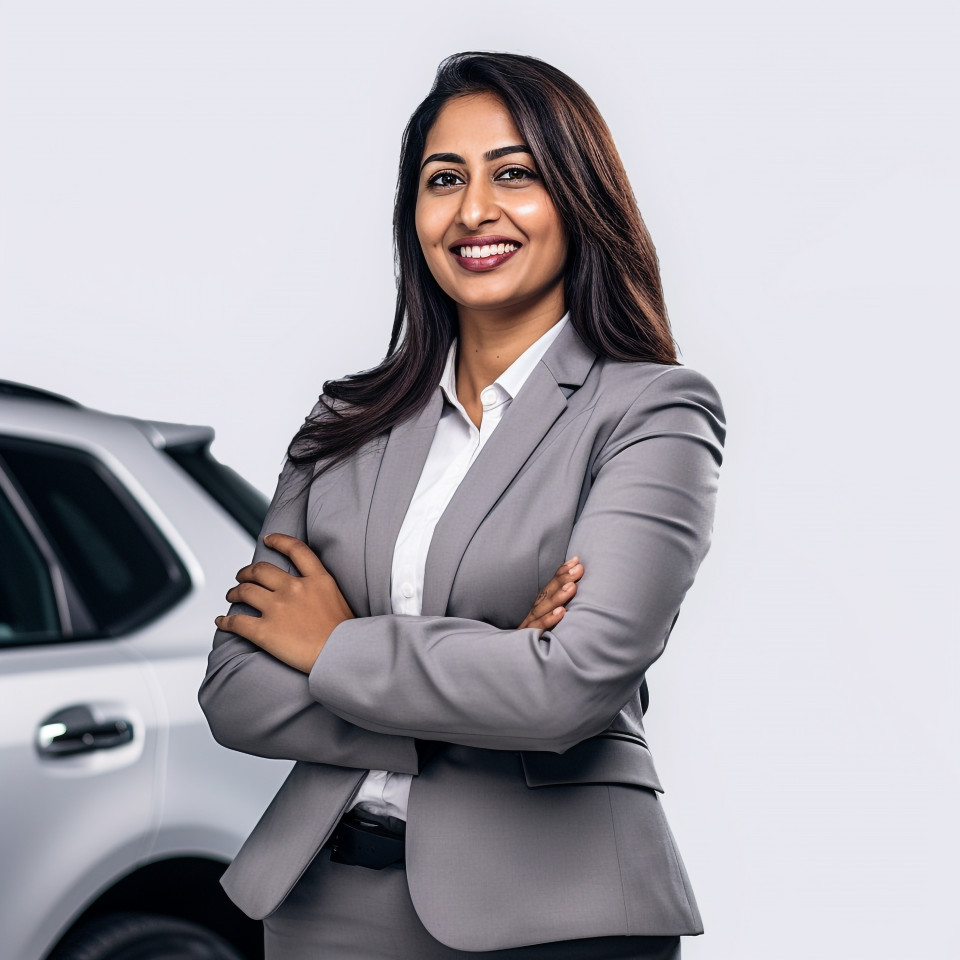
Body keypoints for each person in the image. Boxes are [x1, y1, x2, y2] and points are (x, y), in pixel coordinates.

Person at [199, 51, 726, 959]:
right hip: (324, 905)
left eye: (514, 174)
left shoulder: (652, 409)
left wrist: (329, 645)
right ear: (416, 215)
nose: (475, 210)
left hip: (557, 914)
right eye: (445, 179)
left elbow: (567, 688)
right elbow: (236, 691)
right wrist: (494, 664)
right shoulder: (346, 421)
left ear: (578, 197)